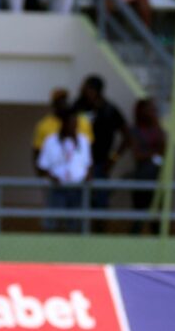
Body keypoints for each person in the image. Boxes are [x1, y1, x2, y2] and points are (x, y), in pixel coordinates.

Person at [73, 74, 127, 224]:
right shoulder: (78, 107)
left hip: (100, 164)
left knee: (99, 204)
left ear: (95, 90)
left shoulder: (109, 110)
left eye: (86, 88)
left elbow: (127, 137)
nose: (82, 90)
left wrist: (113, 158)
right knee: (77, 204)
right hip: (78, 165)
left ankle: (99, 235)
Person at [36, 108, 92, 233]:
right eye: (71, 123)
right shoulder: (51, 141)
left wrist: (87, 176)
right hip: (57, 189)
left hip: (77, 189)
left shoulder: (83, 141)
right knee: (53, 224)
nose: (73, 127)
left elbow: (88, 165)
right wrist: (52, 177)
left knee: (75, 224)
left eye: (75, 124)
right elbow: (42, 167)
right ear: (64, 123)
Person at [127, 96, 165, 234]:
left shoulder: (156, 129)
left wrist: (157, 124)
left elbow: (164, 149)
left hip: (157, 178)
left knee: (157, 217)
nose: (152, 112)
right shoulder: (135, 131)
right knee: (139, 216)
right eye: (150, 109)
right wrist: (154, 154)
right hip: (142, 177)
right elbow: (137, 155)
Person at [32, 88, 93, 170]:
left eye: (65, 100)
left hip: (78, 174)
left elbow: (88, 150)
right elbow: (37, 151)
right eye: (59, 101)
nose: (63, 104)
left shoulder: (82, 122)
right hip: (55, 174)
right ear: (54, 104)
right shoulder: (44, 125)